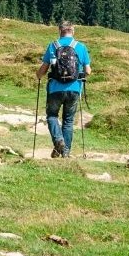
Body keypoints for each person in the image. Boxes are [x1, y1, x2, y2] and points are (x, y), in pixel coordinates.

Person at [36, 20, 92, 158]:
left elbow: (43, 69)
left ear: (59, 31)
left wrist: (38, 75)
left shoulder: (53, 46)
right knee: (68, 120)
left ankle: (58, 141)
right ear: (72, 31)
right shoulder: (81, 47)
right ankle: (65, 152)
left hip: (55, 89)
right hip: (74, 89)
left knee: (52, 116)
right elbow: (88, 71)